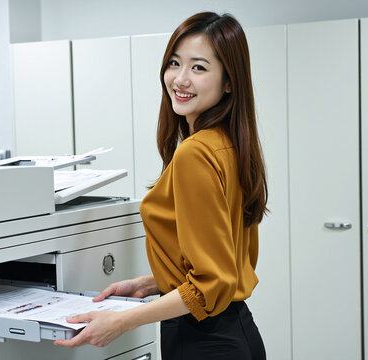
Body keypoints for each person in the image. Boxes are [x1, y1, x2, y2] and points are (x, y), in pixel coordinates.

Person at [54, 11, 268, 359]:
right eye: (174, 63)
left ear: (229, 82)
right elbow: (224, 267)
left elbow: (209, 285)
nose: (180, 79)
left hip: (204, 342)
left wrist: (121, 322)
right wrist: (148, 283)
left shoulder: (195, 154)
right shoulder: (228, 145)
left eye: (199, 68)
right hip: (234, 334)